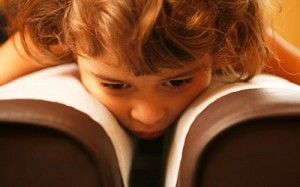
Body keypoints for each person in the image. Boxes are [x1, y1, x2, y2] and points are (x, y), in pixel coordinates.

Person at [0, 0, 299, 139]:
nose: (149, 114)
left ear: (222, 49)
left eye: (178, 81)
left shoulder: (228, 37)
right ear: (63, 40)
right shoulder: (60, 34)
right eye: (116, 85)